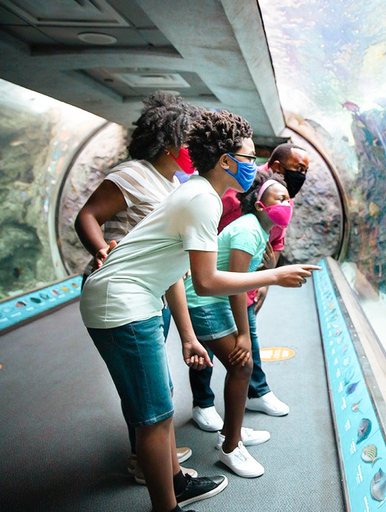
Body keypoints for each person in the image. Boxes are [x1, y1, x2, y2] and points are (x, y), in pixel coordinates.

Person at [80, 108, 319, 512]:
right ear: (226, 161)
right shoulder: (202, 200)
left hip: (126, 298)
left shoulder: (197, 192)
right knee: (155, 417)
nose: (255, 165)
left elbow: (175, 270)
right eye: (248, 157)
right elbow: (206, 281)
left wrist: (188, 334)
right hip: (122, 304)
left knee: (156, 407)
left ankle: (176, 483)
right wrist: (274, 278)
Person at [74, 91, 200, 483]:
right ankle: (148, 463)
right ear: (168, 144)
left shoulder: (170, 184)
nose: (193, 149)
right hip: (127, 290)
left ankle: (153, 452)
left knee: (151, 385)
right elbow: (88, 215)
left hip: (152, 294)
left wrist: (185, 332)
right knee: (148, 389)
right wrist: (100, 251)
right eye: (189, 141)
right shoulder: (133, 173)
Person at [190, 143, 310, 430]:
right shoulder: (240, 195)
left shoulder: (281, 198)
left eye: (306, 171)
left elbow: (275, 240)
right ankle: (204, 403)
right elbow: (214, 234)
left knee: (246, 343)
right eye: (298, 169)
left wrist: (264, 278)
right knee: (210, 344)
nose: (302, 176)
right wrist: (268, 277)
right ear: (278, 166)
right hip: (214, 284)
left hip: (245, 282)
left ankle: (256, 393)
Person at [185, 171, 292, 477]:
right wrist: (244, 334)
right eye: (279, 197)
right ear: (260, 204)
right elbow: (235, 284)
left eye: (287, 198)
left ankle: (233, 430)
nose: (286, 203)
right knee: (242, 365)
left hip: (213, 300)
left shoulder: (259, 231)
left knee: (239, 367)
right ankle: (230, 447)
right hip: (205, 303)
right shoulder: (248, 231)